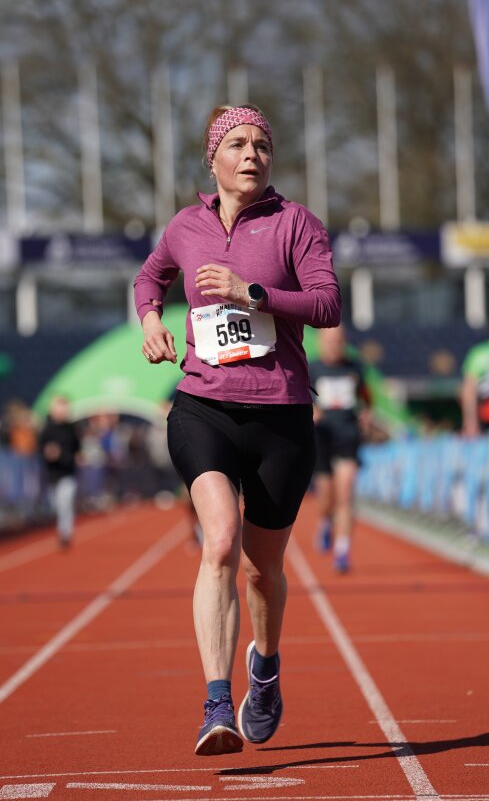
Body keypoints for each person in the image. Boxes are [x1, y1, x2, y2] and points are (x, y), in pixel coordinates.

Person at [134, 104, 341, 756]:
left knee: (261, 570)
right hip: (204, 407)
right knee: (219, 541)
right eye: (238, 144)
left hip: (281, 414)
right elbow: (150, 276)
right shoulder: (186, 225)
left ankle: (265, 666)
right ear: (213, 158)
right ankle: (216, 702)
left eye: (261, 145)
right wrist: (150, 318)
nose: (252, 154)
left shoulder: (295, 223)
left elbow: (327, 303)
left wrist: (252, 293)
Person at [309, 325, 372, 573]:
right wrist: (312, 411)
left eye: (338, 341)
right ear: (322, 343)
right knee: (326, 497)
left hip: (348, 435)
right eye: (330, 341)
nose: (334, 345)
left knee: (345, 493)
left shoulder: (355, 367)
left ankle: (342, 550)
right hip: (322, 436)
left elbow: (366, 397)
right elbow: (302, 398)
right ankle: (325, 521)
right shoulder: (313, 368)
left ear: (344, 342)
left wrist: (366, 413)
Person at [38, 395, 81, 548]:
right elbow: (40, 449)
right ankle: (63, 530)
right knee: (54, 506)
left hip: (67, 472)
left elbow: (77, 449)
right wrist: (48, 453)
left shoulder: (71, 428)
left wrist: (66, 456)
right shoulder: (47, 429)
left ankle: (65, 533)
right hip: (51, 473)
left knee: (65, 503)